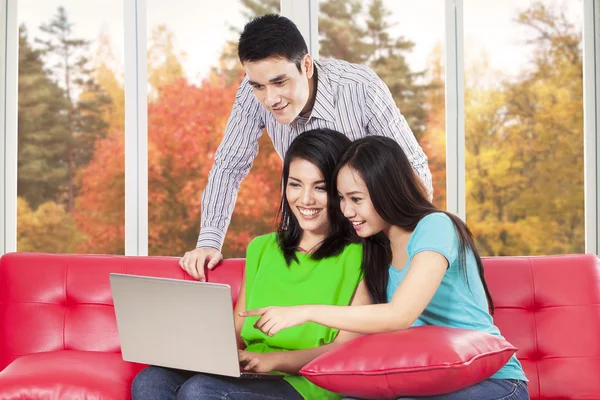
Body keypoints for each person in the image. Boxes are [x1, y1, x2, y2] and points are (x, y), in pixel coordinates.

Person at [241, 136, 530, 400]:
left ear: (386, 191)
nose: (346, 211)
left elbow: (400, 315)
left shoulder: (436, 227)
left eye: (356, 199)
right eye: (341, 199)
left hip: (494, 382)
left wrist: (304, 312)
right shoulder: (376, 249)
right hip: (426, 380)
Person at [179, 14, 433, 281]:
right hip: (306, 234)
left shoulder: (360, 88)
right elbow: (228, 167)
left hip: (368, 235)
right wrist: (209, 240)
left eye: (280, 82)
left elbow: (413, 169)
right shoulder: (250, 94)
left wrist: (404, 246)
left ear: (307, 66)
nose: (270, 99)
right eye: (258, 86)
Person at [131, 129, 371, 400]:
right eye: (295, 184)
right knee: (151, 380)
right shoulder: (262, 248)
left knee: (200, 391)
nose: (305, 200)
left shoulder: (362, 255)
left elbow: (344, 351)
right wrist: (191, 347)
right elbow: (238, 334)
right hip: (253, 369)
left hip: (309, 382)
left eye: (320, 187)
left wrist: (273, 361)